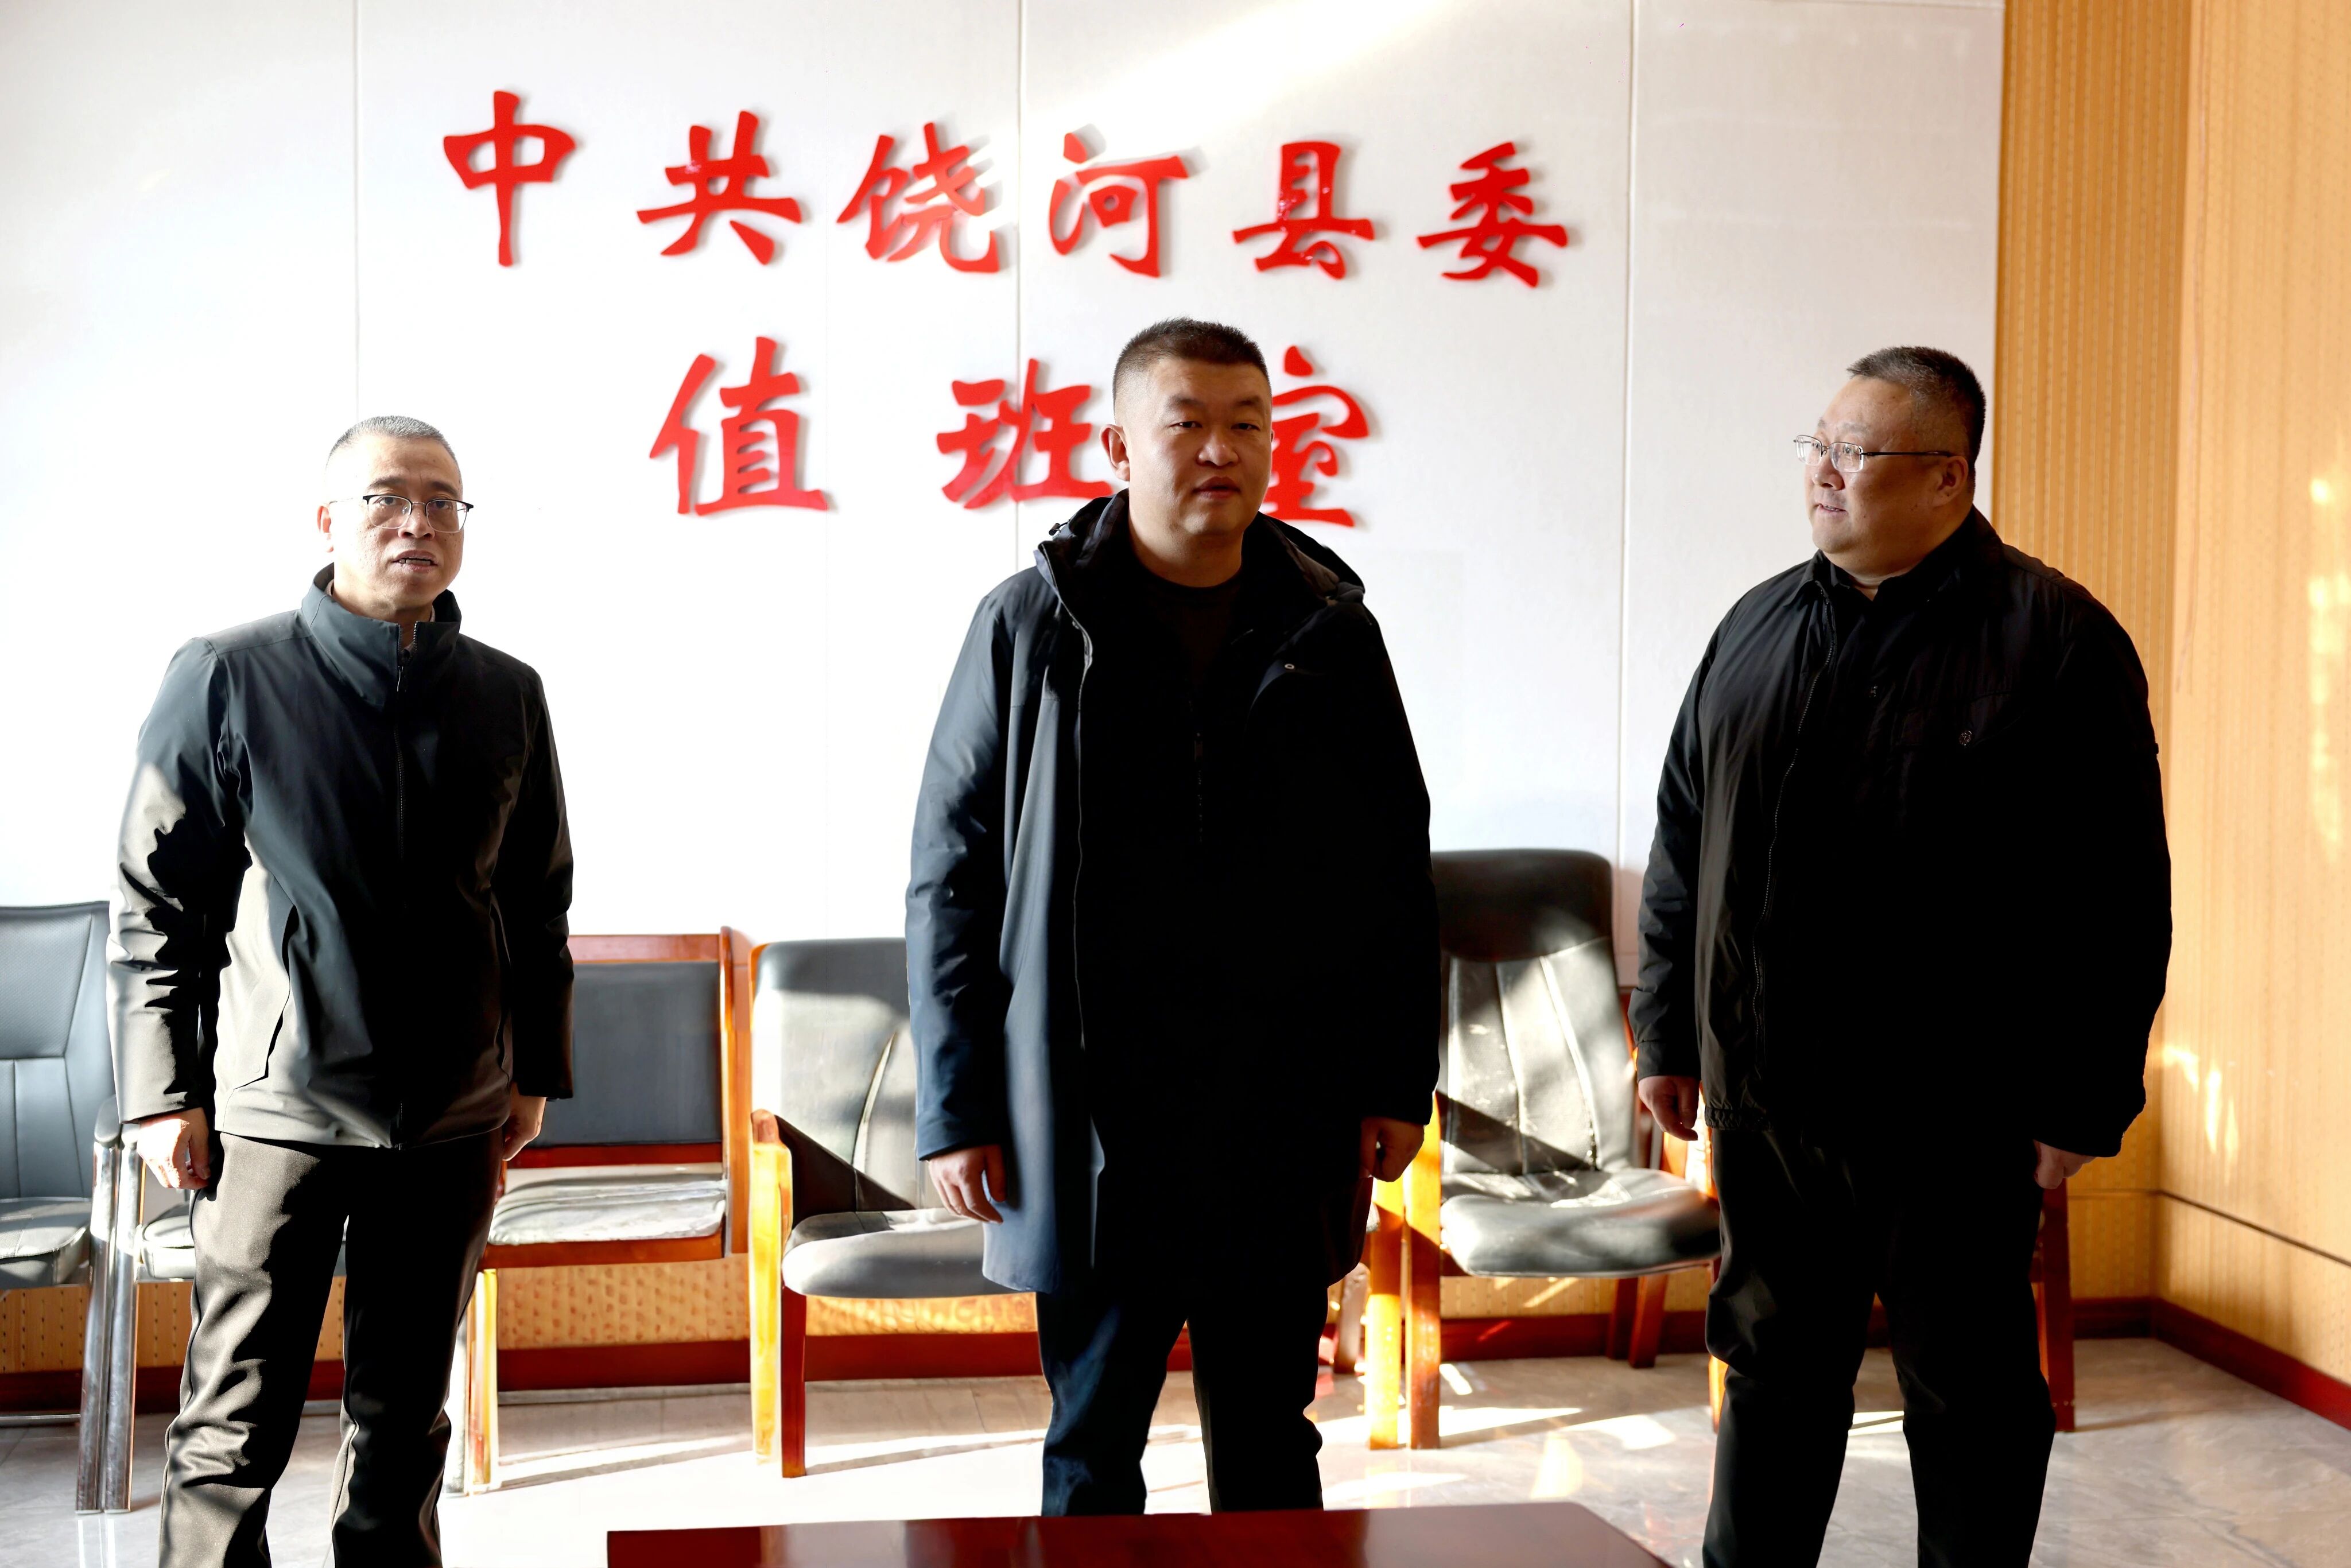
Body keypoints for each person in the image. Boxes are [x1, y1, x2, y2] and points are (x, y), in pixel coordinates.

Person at [1631, 348, 2171, 1566]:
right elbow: (1682, 842)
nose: (1823, 473)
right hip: (1768, 1098)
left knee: (1967, 1391)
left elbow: (2120, 894)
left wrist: (2083, 1100)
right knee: (1770, 1372)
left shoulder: (2055, 638)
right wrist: (1667, 1032)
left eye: (1856, 452)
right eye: (1817, 446)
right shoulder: (1754, 623)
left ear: (1945, 478)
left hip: (1957, 1111)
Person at [908, 317, 1437, 1515]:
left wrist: (1396, 1078)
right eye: (1187, 422)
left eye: (1247, 423)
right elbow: (952, 877)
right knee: (1093, 1445)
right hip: (1094, 1119)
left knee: (1271, 1445)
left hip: (1278, 1109)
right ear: (1117, 446)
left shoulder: (1330, 631)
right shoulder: (1030, 625)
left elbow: (1393, 874)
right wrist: (958, 1106)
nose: (1219, 450)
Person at [112, 415, 574, 1567]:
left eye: (442, 501)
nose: (418, 522)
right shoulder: (228, 675)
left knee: (405, 1422)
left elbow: (537, 901)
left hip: (454, 1114)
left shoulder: (507, 694)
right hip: (277, 1115)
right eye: (387, 497)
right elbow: (157, 900)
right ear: (328, 521)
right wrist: (164, 1094)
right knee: (233, 1424)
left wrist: (532, 1072)